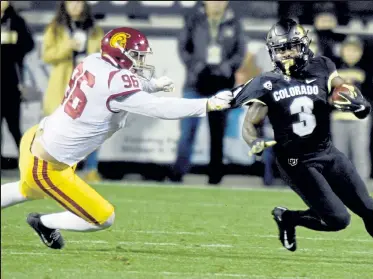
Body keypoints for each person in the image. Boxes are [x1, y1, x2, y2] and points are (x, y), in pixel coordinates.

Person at [0, 27, 234, 250]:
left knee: (26, 190)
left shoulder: (93, 60)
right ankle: (44, 223)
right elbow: (160, 108)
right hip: (47, 165)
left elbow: (113, 83)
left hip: (37, 139)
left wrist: (149, 85)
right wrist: (207, 104)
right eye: (135, 55)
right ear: (119, 53)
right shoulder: (115, 83)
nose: (139, 61)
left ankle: (39, 213)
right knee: (102, 217)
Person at [230, 18, 373, 264]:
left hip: (326, 151)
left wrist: (359, 104)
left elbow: (344, 89)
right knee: (339, 220)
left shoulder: (322, 66)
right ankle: (290, 218)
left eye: (291, 47)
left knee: (368, 207)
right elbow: (250, 123)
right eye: (281, 49)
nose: (286, 54)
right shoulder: (268, 82)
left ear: (304, 45)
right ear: (272, 52)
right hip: (295, 161)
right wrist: (253, 142)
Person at [169, 0, 246, 185]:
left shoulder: (234, 23)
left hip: (221, 84)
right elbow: (183, 47)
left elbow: (240, 51)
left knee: (217, 133)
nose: (216, 4)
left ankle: (215, 176)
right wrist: (196, 66)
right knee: (188, 130)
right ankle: (177, 173)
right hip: (195, 83)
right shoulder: (193, 19)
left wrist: (227, 67)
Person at [41, 0, 104, 182]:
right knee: (61, 129)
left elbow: (103, 55)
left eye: (79, 2)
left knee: (93, 128)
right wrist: (67, 46)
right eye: (71, 2)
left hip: (88, 85)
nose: (75, 5)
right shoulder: (55, 28)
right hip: (63, 85)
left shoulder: (94, 29)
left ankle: (91, 168)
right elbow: (47, 55)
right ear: (64, 5)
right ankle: (61, 169)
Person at [330, 36, 370, 185]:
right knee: (340, 155)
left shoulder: (367, 69)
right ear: (342, 51)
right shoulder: (334, 69)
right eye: (348, 49)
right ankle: (341, 187)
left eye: (355, 50)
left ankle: (362, 189)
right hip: (338, 117)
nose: (351, 53)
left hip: (359, 119)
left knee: (360, 155)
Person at [1, 0, 34, 166]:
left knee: (14, 127)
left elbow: (29, 44)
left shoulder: (16, 21)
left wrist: (11, 46)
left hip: (11, 83)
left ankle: (27, 164)